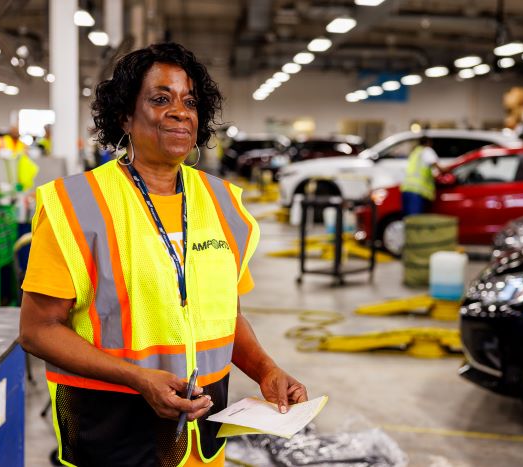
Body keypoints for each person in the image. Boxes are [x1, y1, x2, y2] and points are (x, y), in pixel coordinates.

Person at [19, 42, 307, 467]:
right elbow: (38, 329)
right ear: (125, 116)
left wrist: (265, 370)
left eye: (190, 101)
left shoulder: (224, 204)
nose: (180, 111)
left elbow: (226, 317)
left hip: (201, 438)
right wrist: (138, 378)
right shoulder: (76, 204)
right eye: (160, 99)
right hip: (113, 431)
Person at [400, 135, 439, 215]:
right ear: (428, 143)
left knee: (408, 220)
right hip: (418, 191)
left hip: (406, 189)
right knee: (416, 221)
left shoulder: (415, 152)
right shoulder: (427, 150)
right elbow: (437, 167)